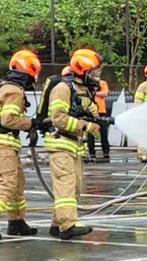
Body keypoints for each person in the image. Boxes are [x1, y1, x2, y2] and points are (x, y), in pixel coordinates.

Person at [0, 49, 42, 241]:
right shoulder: (14, 90)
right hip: (2, 140)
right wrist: (32, 124)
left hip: (3, 140)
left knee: (17, 181)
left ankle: (16, 221)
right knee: (8, 181)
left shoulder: (5, 86)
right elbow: (8, 119)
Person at [44, 48, 103, 240]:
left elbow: (89, 111)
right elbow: (58, 119)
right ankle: (68, 225)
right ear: (82, 70)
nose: (97, 76)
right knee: (66, 185)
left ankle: (57, 224)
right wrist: (85, 125)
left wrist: (94, 118)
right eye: (94, 72)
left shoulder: (83, 90)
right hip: (61, 143)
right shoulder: (62, 88)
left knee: (73, 187)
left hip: (75, 145)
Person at [87, 73, 111, 162]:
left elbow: (105, 93)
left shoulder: (103, 83)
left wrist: (94, 93)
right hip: (90, 111)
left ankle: (106, 151)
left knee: (104, 133)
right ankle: (91, 152)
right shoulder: (87, 84)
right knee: (90, 133)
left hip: (101, 111)